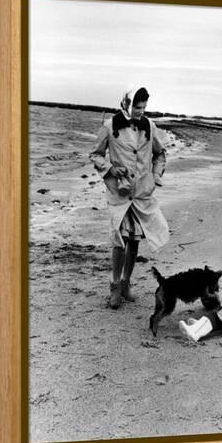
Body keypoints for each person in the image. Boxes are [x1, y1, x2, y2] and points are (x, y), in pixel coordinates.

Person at [89, 86, 170, 309]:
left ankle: (126, 284)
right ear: (127, 103)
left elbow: (160, 154)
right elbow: (95, 154)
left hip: (142, 193)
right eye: (137, 107)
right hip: (120, 192)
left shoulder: (149, 127)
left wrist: (155, 176)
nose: (140, 112)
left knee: (134, 241)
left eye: (144, 107)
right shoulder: (110, 126)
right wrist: (110, 169)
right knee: (119, 240)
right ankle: (114, 286)